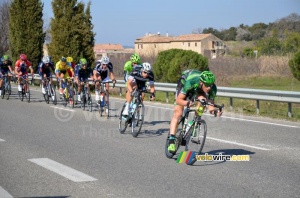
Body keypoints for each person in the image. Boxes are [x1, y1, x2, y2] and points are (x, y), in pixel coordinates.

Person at [167, 70, 223, 153]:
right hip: (185, 81)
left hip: (198, 89)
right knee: (178, 113)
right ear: (201, 82)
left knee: (203, 101)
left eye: (211, 85)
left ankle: (194, 123)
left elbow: (210, 107)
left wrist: (215, 112)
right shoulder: (191, 82)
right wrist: (187, 102)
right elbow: (179, 100)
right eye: (207, 85)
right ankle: (171, 140)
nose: (209, 88)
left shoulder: (212, 89)